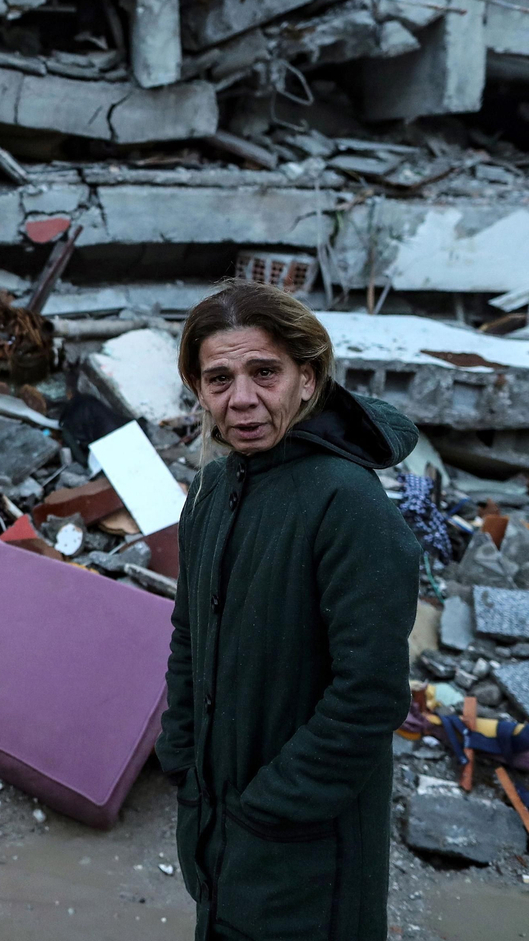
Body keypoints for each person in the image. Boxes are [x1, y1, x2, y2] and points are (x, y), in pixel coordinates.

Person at [158, 281, 422, 941]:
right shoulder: (216, 487)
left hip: (307, 849)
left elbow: (369, 695)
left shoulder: (348, 503)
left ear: (308, 379)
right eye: (218, 378)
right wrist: (184, 759)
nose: (241, 399)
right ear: (198, 389)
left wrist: (271, 808)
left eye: (264, 372)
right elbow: (189, 634)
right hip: (218, 829)